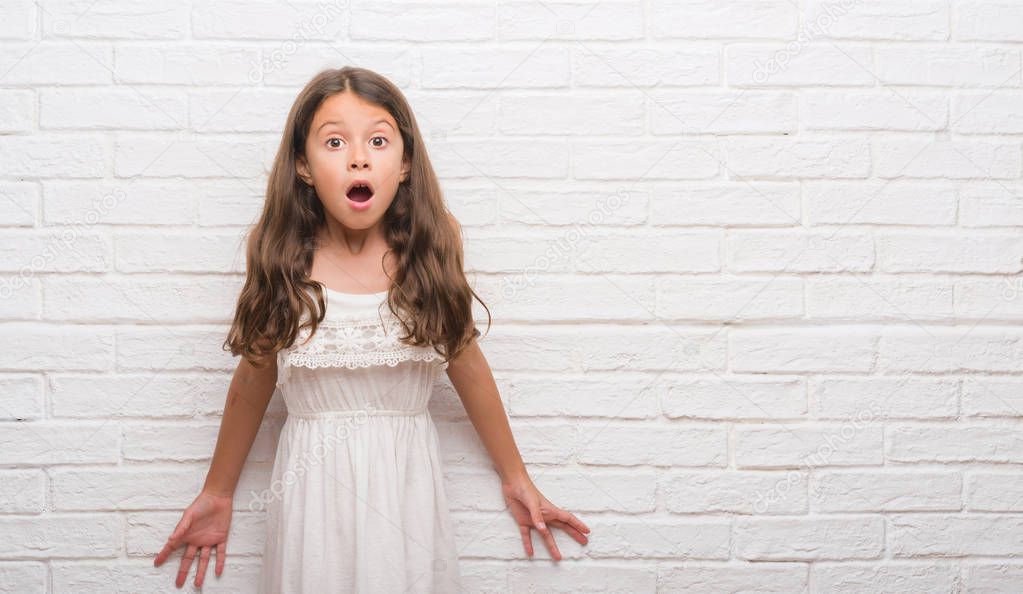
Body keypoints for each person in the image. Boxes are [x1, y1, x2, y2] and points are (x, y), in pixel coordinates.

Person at [152, 66, 591, 592]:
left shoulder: (428, 253)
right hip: (312, 493)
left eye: (378, 140)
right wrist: (218, 492)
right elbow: (253, 378)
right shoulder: (282, 257)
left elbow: (467, 364)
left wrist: (516, 477)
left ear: (404, 164)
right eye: (334, 141)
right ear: (304, 167)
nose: (359, 156)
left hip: (406, 490)